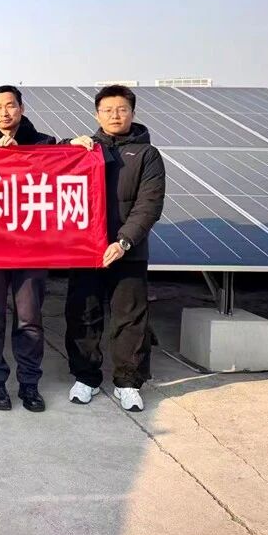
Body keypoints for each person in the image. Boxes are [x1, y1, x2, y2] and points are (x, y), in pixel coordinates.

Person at [65, 84, 166, 412]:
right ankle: (86, 377)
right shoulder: (84, 148)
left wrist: (124, 241)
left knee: (130, 318)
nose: (115, 115)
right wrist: (68, 145)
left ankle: (128, 382)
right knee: (83, 314)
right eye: (107, 110)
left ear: (132, 113)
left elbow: (149, 204)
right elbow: (49, 167)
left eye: (122, 109)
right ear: (97, 115)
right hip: (86, 251)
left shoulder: (147, 155)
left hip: (128, 251)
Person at [0, 85, 56, 412]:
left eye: (10, 105)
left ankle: (29, 384)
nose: (4, 112)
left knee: (29, 318)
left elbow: (63, 169)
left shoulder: (44, 144)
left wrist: (26, 156)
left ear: (21, 108)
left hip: (31, 248)